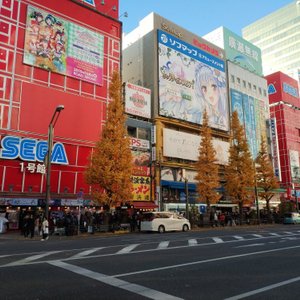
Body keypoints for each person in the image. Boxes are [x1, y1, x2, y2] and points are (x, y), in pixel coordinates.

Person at [189, 63, 228, 130]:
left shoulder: (225, 116)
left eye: (213, 87)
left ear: (219, 88)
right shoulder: (199, 114)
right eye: (204, 89)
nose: (210, 93)